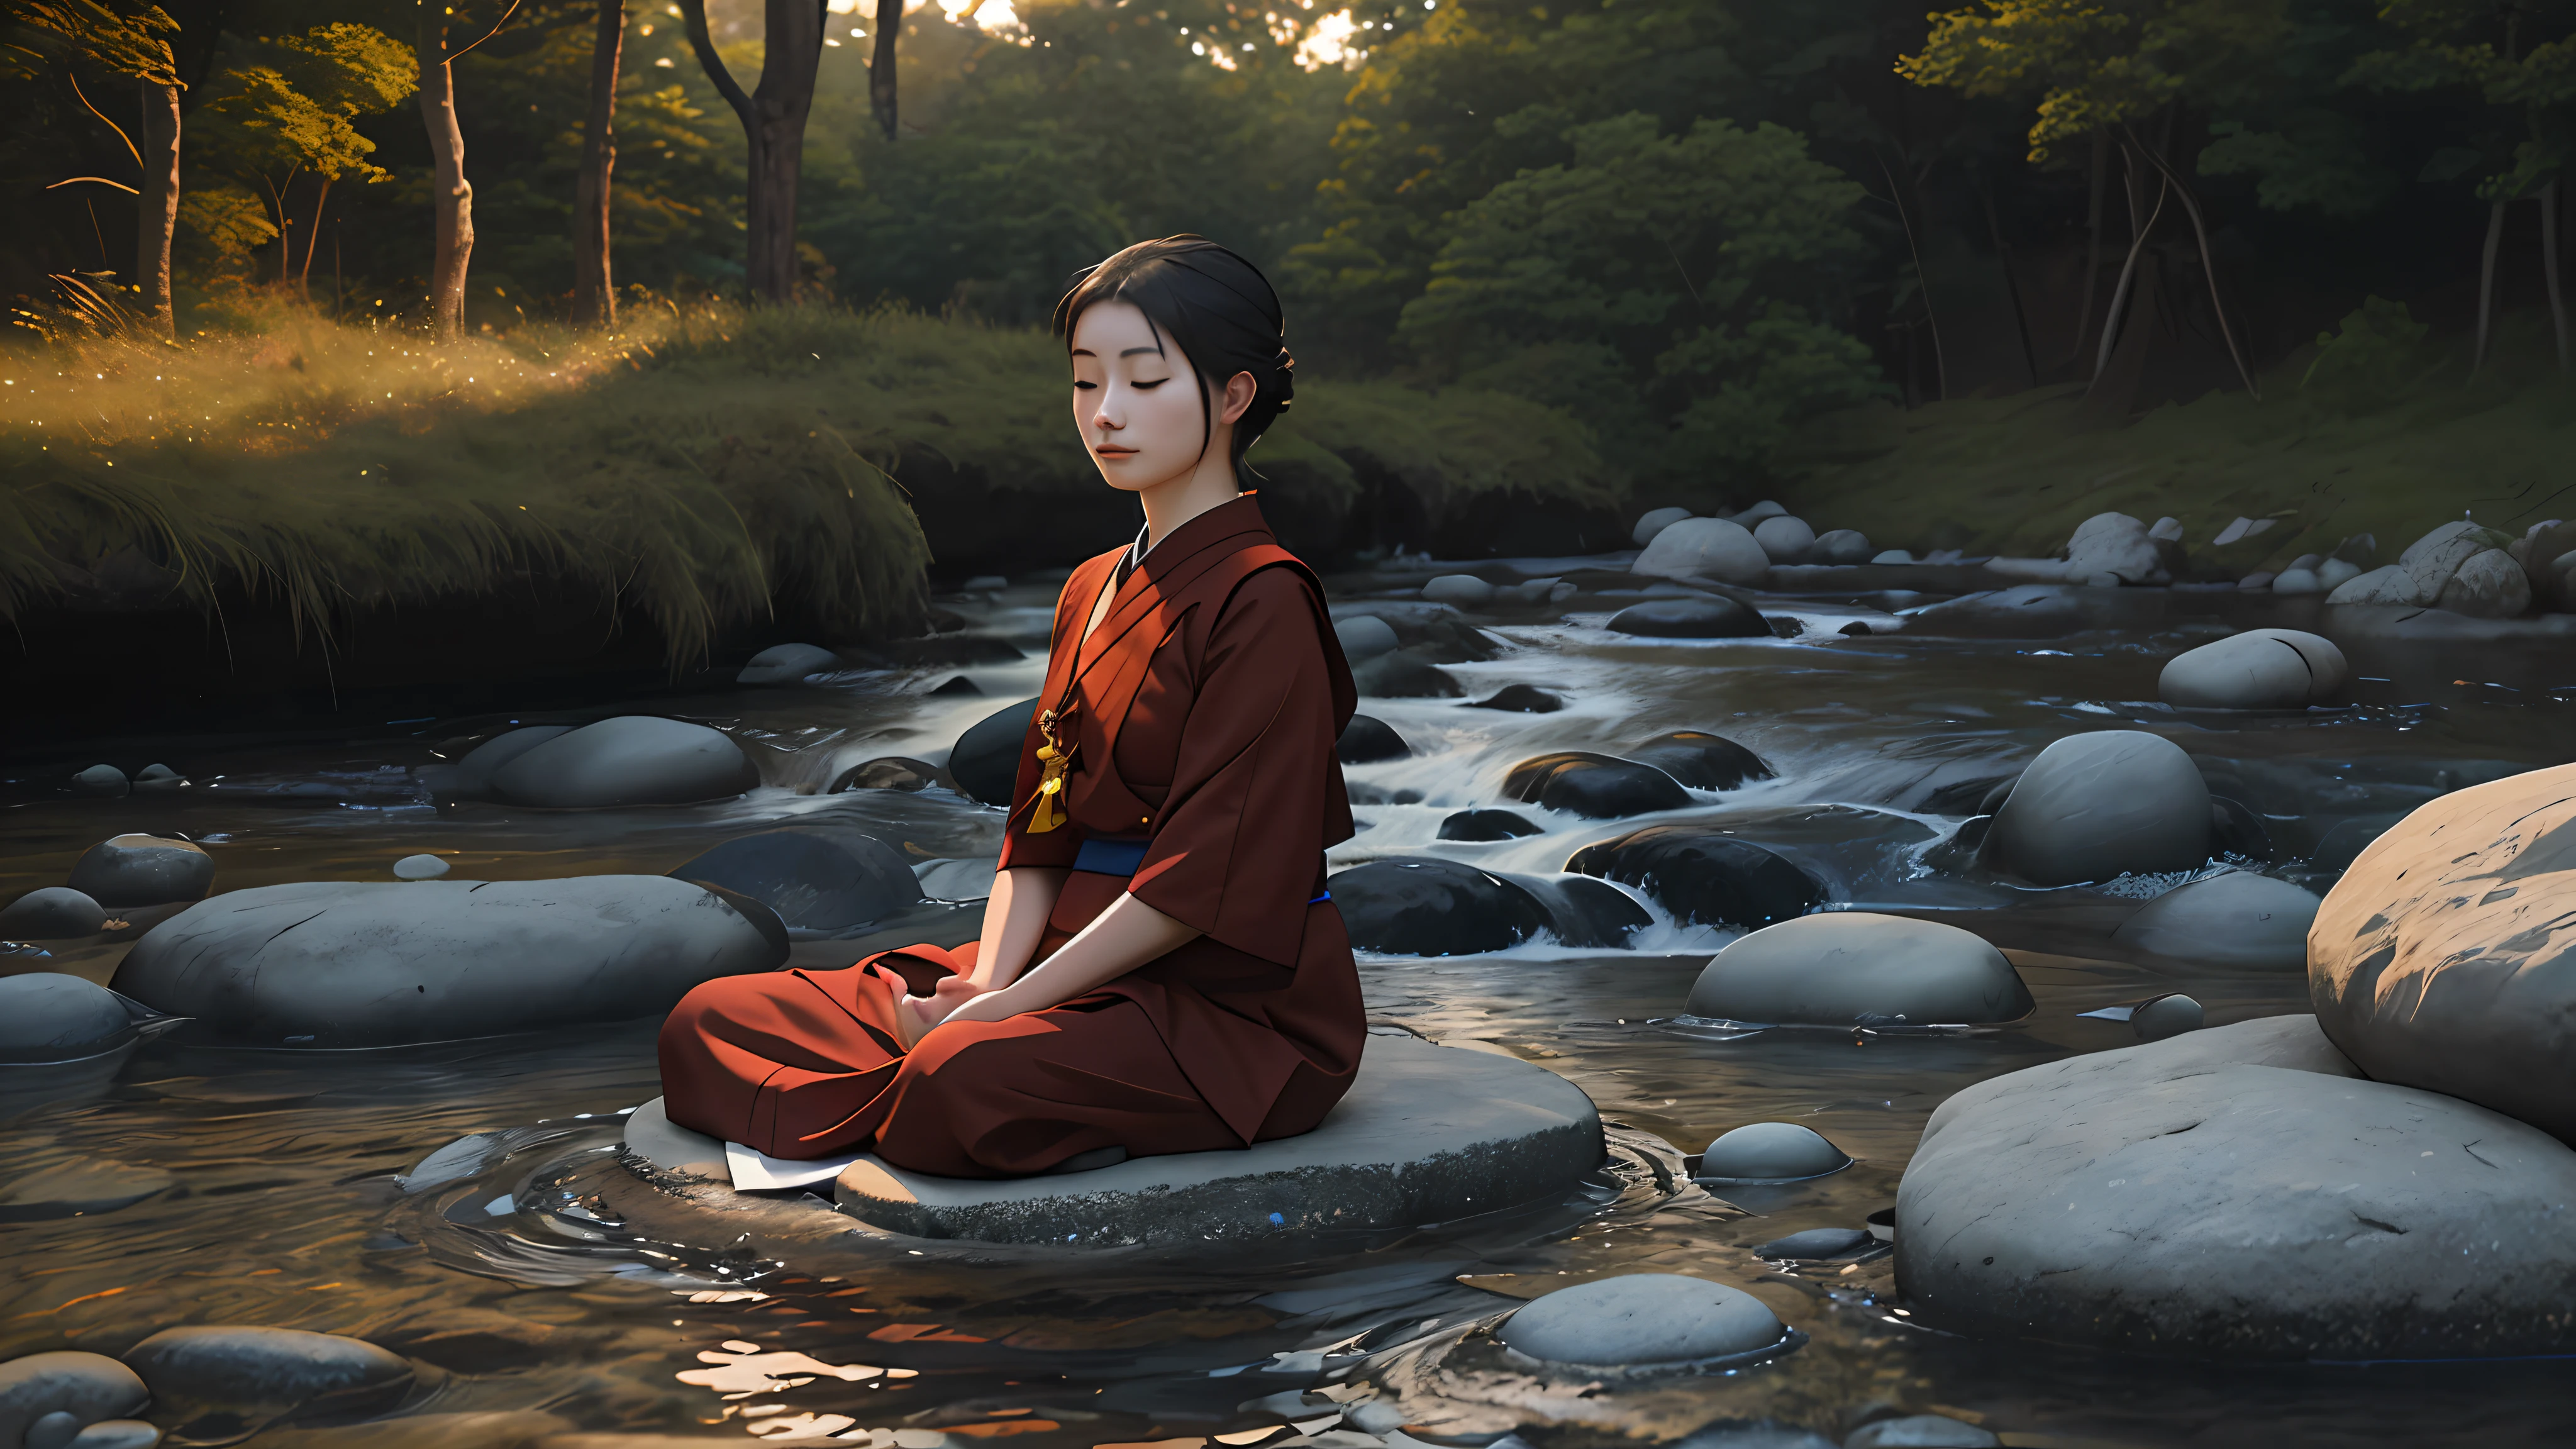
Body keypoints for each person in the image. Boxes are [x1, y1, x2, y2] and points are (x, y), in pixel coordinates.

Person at [655, 236, 1363, 1179]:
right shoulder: (1091, 586)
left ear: (1234, 396)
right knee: (709, 1019)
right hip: (1059, 964)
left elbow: (1203, 882)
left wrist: (1004, 1012)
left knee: (960, 1075)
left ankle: (919, 1092)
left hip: (1222, 1006)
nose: (1105, 412)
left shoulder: (1264, 598)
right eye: (1085, 381)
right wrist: (990, 978)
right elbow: (1041, 826)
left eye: (1145, 380)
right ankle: (932, 1096)